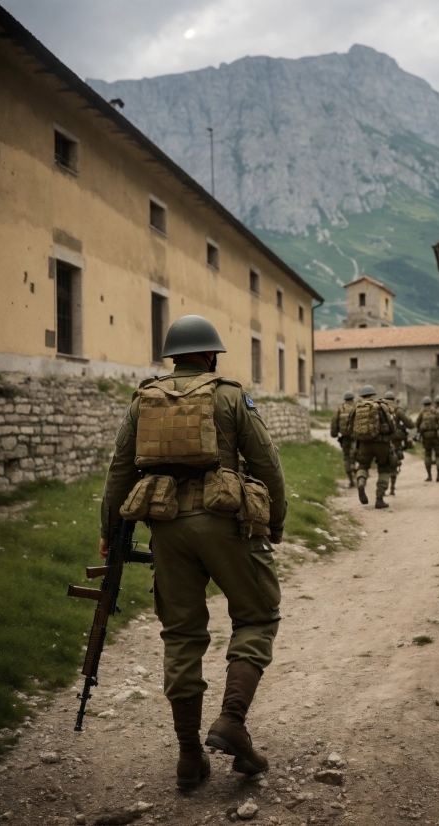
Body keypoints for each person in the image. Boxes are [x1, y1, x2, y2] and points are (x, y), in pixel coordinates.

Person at [99, 315, 286, 789]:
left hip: (167, 529)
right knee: (256, 617)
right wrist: (276, 519)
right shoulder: (229, 394)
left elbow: (120, 469)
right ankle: (231, 722)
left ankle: (188, 758)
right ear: (211, 355)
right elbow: (266, 461)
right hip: (227, 524)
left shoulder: (144, 399)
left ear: (173, 357)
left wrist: (109, 530)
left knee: (181, 635)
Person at [351, 385, 395, 509]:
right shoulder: (381, 406)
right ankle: (379, 499)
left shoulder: (357, 408)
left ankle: (361, 482)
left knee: (363, 466)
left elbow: (351, 429)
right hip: (382, 444)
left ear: (362, 396)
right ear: (373, 395)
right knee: (384, 468)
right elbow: (392, 426)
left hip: (364, 444)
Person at [383, 391, 414, 495]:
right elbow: (410, 424)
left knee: (382, 466)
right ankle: (392, 489)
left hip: (383, 441)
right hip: (396, 442)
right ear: (394, 400)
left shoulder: (380, 408)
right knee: (394, 464)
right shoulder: (398, 410)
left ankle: (381, 490)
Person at [330, 391, 357, 487]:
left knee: (346, 457)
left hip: (345, 437)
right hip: (357, 437)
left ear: (345, 399)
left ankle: (351, 481)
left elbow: (334, 422)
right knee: (358, 456)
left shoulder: (340, 409)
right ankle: (356, 470)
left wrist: (334, 434)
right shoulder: (357, 407)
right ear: (353, 399)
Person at [416, 396, 439, 482]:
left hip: (426, 436)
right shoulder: (435, 411)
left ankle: (429, 476)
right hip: (436, 436)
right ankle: (438, 476)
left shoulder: (422, 411)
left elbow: (417, 423)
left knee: (428, 454)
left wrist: (420, 432)